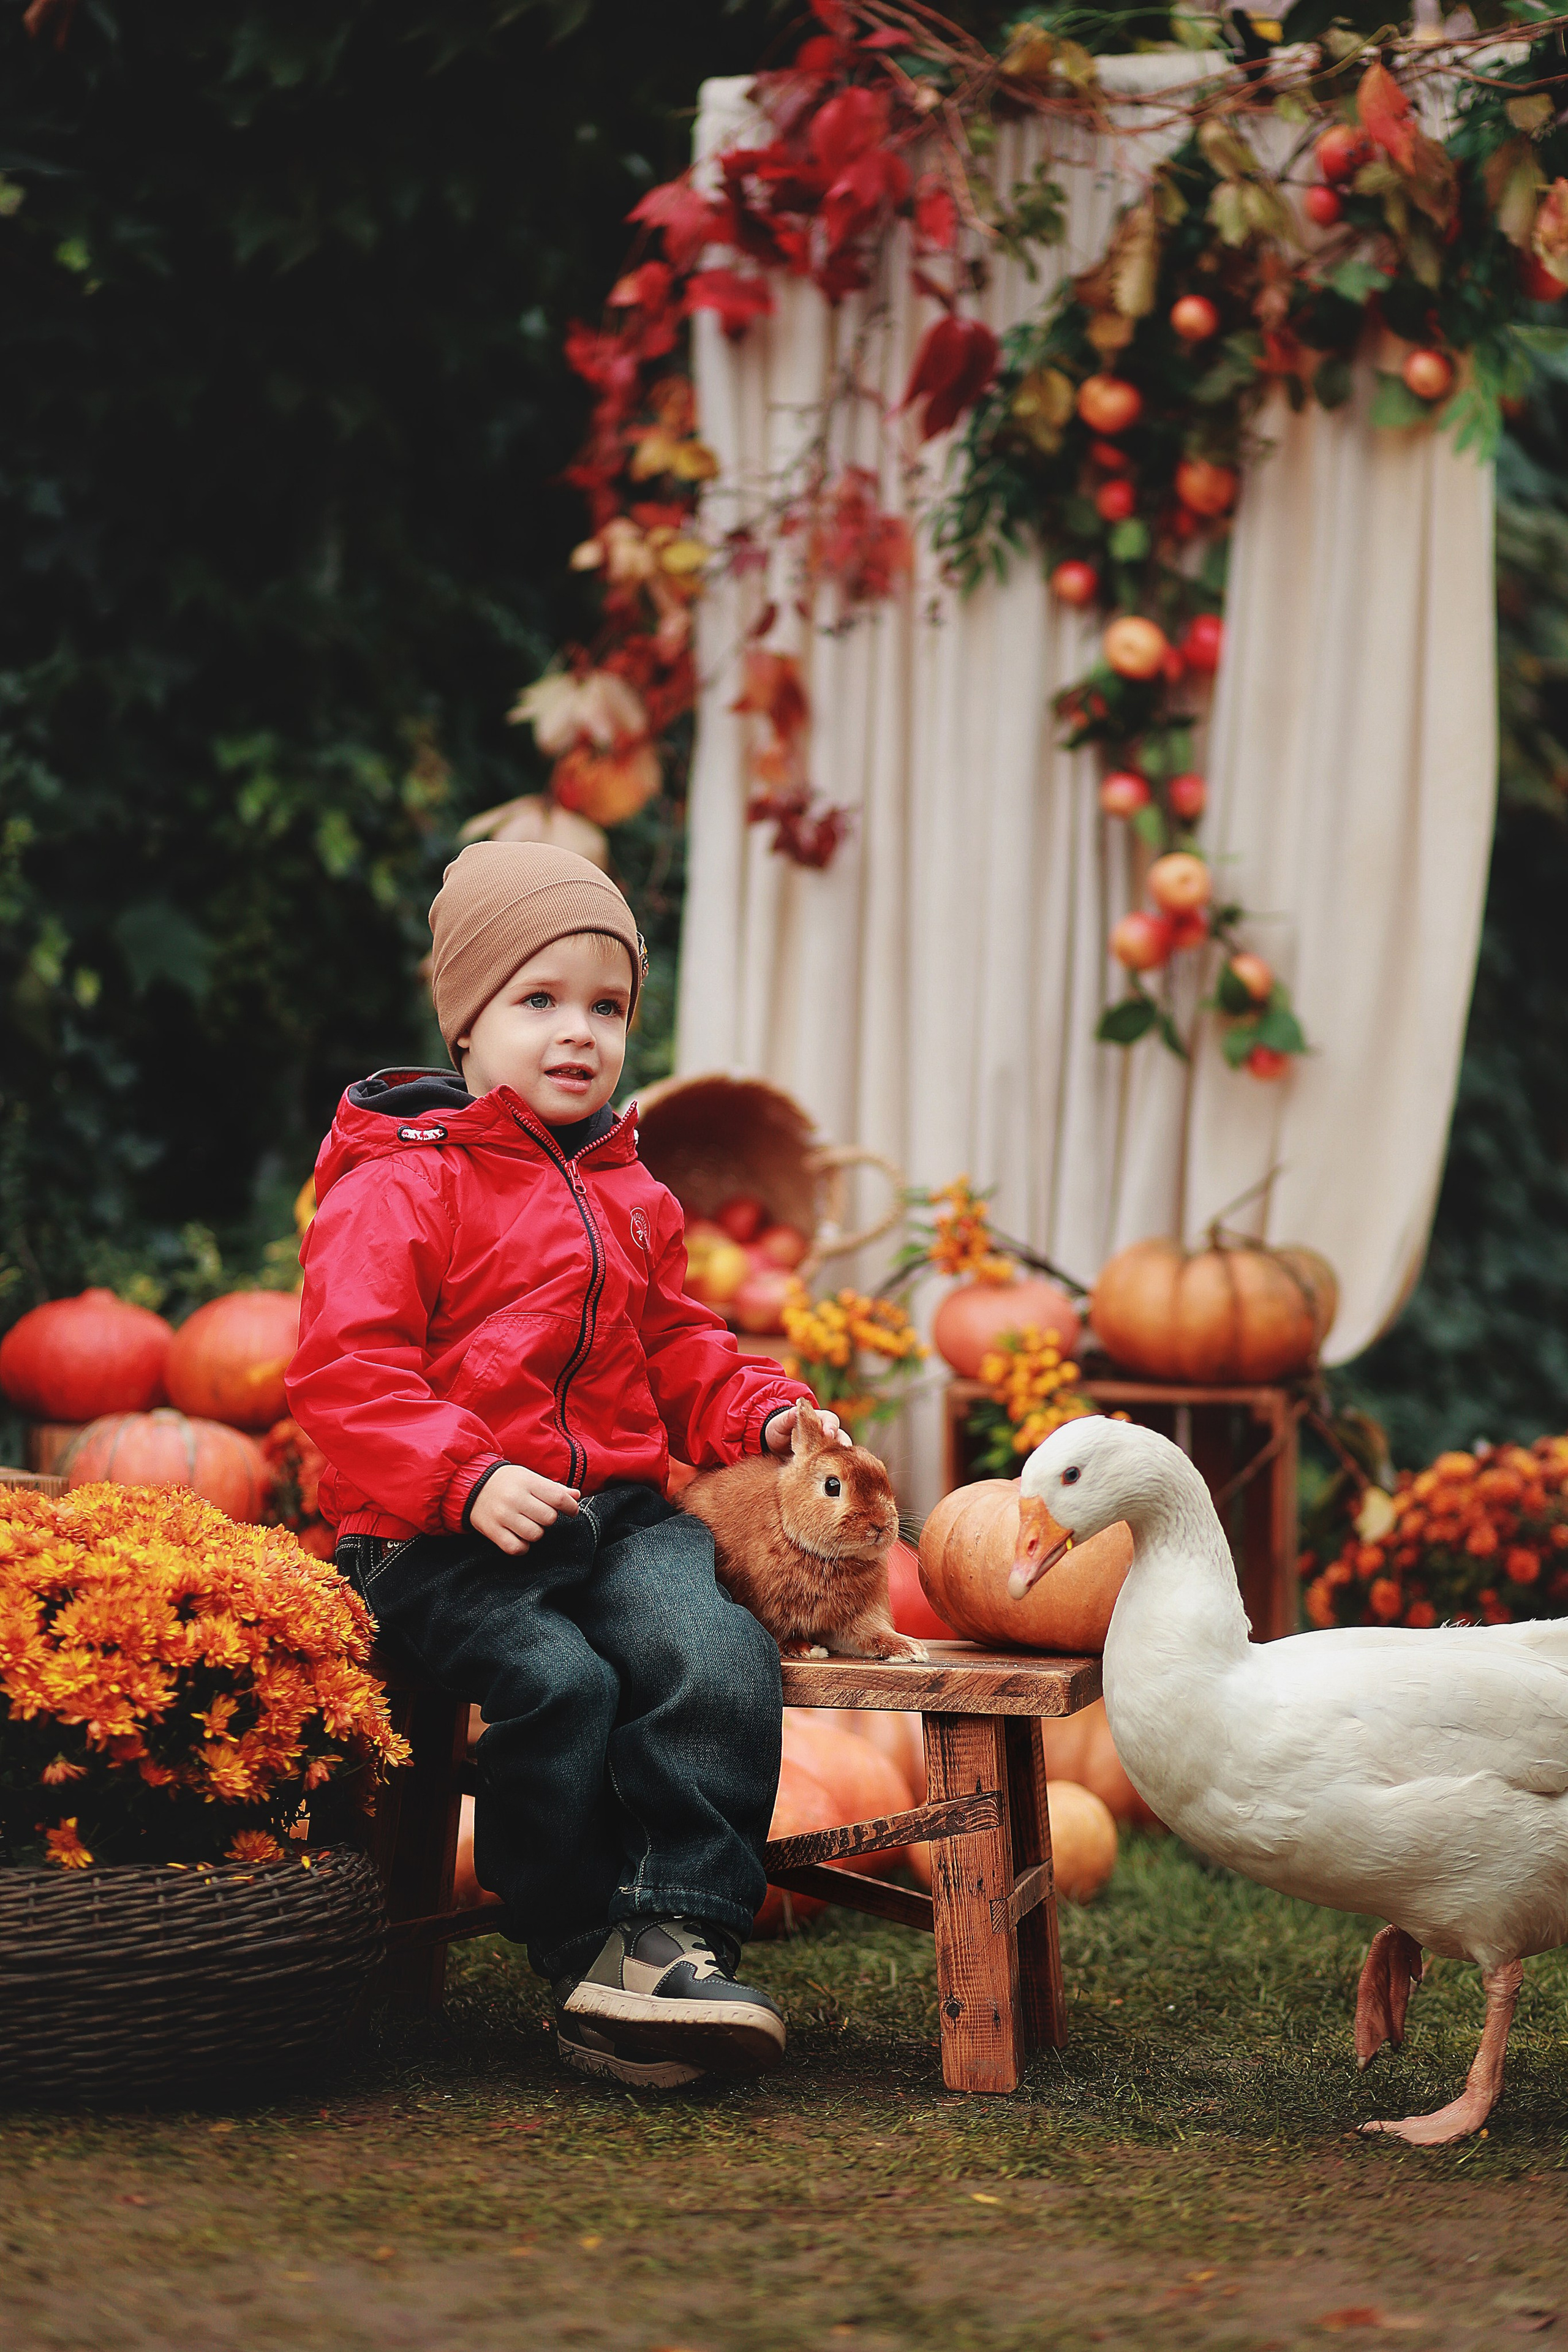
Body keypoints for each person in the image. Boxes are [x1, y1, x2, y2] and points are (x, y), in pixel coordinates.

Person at [287, 840, 842, 2089]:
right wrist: (465, 1478)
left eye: (606, 1007)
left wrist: (763, 1413)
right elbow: (345, 1375)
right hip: (434, 1534)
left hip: (612, 1515)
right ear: (466, 1025)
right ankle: (584, 1952)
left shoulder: (629, 1188)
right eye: (537, 1001)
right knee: (559, 1681)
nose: (577, 1033)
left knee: (713, 1648)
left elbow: (677, 1345)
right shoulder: (400, 1187)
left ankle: (679, 1923)